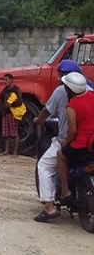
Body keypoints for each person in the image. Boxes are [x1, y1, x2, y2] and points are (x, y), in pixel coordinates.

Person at [33, 60, 82, 222]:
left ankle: (49, 208)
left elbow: (46, 112)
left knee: (44, 166)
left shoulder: (62, 91)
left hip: (69, 140)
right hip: (89, 141)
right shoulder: (89, 90)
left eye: (60, 75)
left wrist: (38, 120)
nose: (58, 79)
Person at [57, 72, 94, 207]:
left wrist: (66, 141)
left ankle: (65, 191)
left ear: (69, 89)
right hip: (92, 143)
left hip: (81, 145)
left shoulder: (72, 106)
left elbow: (72, 131)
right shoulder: (92, 96)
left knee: (61, 155)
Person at [0, 73, 26, 157]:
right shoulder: (5, 90)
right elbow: (0, 99)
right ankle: (6, 150)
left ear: (11, 80)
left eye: (6, 80)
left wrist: (11, 105)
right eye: (4, 80)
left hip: (13, 114)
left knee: (14, 133)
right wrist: (3, 105)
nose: (4, 82)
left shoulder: (16, 89)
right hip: (5, 113)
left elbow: (20, 101)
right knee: (6, 133)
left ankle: (15, 152)